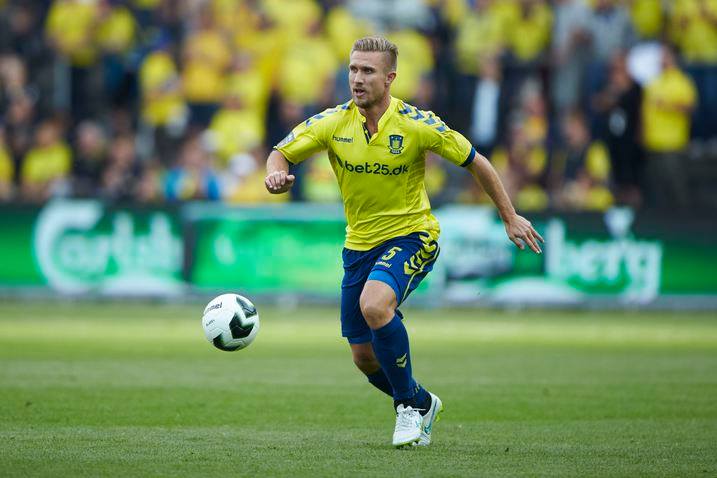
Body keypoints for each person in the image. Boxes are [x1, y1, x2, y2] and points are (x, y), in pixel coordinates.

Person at [264, 36, 543, 448]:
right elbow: (281, 152)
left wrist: (508, 215)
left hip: (413, 235)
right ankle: (421, 400)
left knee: (375, 304)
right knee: (363, 357)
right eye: (353, 69)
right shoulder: (332, 122)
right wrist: (274, 175)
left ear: (390, 78)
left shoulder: (417, 124)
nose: (357, 79)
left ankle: (407, 410)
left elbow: (476, 161)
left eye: (368, 71)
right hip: (359, 245)